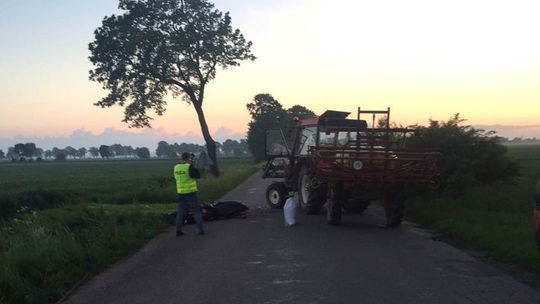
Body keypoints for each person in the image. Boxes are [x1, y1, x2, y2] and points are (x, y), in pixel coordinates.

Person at [174, 152, 204, 236]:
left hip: (180, 193)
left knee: (180, 213)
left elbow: (176, 178)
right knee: (196, 212)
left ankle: (178, 231)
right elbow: (197, 175)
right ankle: (200, 230)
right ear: (189, 158)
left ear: (181, 158)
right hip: (191, 193)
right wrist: (193, 166)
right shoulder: (189, 167)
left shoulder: (176, 167)